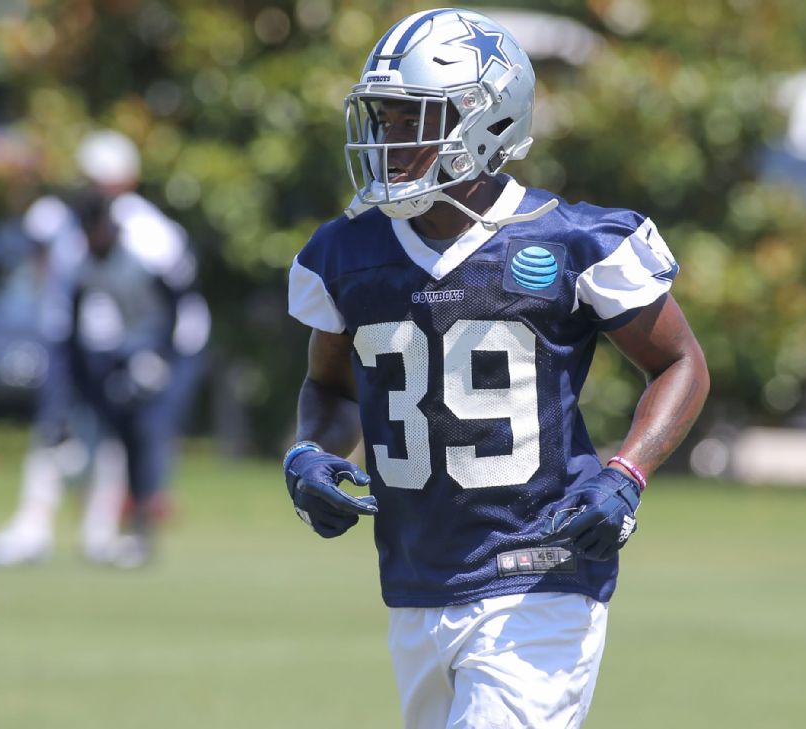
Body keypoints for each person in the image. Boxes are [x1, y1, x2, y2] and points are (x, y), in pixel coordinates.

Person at [282, 10, 709, 728]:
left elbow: (680, 363)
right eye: (382, 119)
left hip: (542, 574)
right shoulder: (347, 253)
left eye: (410, 118)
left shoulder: (571, 240)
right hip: (415, 579)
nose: (388, 140)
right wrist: (311, 453)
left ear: (483, 121)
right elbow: (330, 384)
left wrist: (627, 473)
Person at [0, 130, 208, 567]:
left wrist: (157, 358)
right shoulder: (78, 243)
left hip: (169, 342)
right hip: (127, 341)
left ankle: (137, 530)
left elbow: (181, 306)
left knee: (145, 430)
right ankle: (98, 530)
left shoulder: (145, 242)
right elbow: (72, 312)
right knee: (91, 430)